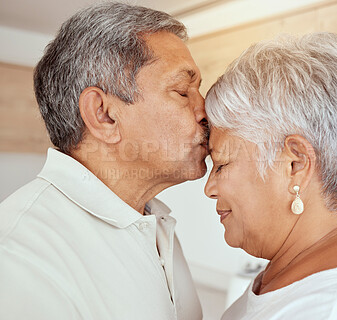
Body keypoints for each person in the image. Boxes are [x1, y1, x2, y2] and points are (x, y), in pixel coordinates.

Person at [0, 3, 208, 319]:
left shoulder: (154, 222)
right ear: (104, 115)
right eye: (182, 91)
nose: (205, 111)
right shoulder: (19, 258)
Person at [204, 32, 337, 319]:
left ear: (295, 165)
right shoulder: (298, 266)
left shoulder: (334, 310)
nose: (209, 188)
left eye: (221, 164)